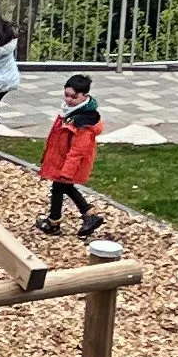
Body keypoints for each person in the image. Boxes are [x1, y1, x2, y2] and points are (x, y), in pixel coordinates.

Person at [37, 75, 105, 237]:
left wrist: (67, 172)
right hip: (62, 159)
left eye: (74, 97)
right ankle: (66, 219)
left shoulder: (83, 122)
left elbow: (78, 151)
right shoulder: (68, 113)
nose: (69, 100)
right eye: (66, 95)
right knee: (61, 188)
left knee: (61, 187)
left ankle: (57, 221)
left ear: (84, 96)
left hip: (69, 163)